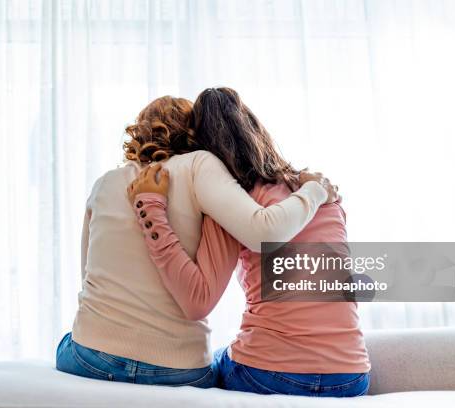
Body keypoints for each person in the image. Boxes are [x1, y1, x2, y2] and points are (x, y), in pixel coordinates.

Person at [56, 95, 337, 388]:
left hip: (92, 356)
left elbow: (88, 277)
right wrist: (314, 190)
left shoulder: (104, 183)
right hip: (179, 369)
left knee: (69, 340)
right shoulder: (200, 166)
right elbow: (262, 233)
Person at [127, 87, 370, 396]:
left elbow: (197, 300)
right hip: (351, 376)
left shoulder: (234, 204)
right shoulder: (324, 195)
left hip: (269, 373)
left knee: (208, 364)